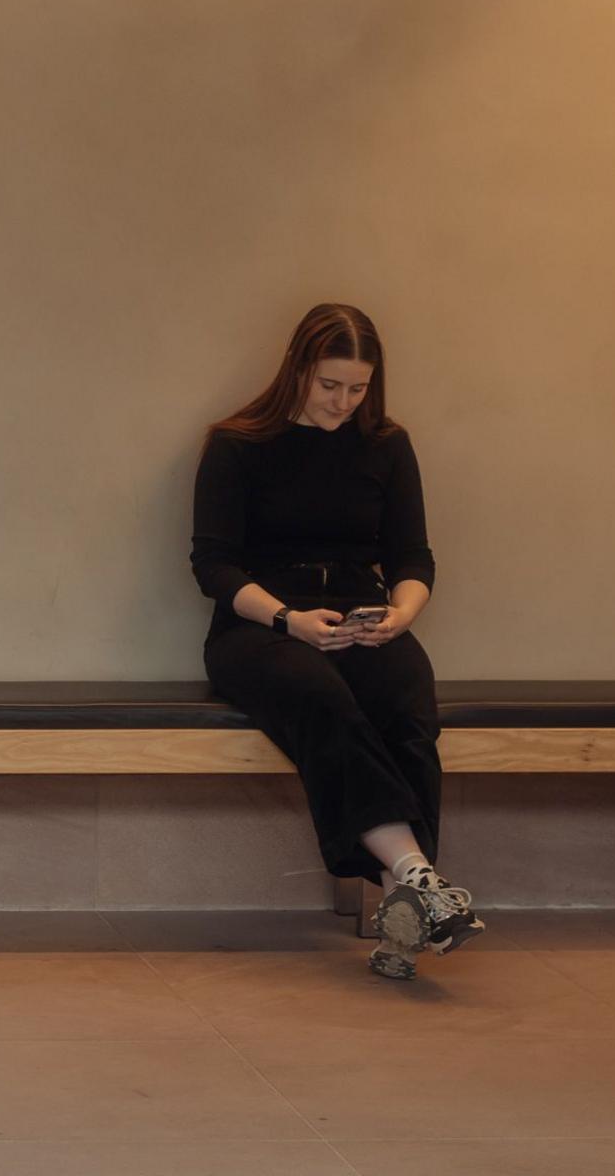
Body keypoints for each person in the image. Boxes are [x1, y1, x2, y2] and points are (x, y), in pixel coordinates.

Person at [191, 301, 484, 981]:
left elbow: (413, 555)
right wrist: (287, 620)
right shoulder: (237, 444)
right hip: (260, 624)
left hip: (364, 613)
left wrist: (401, 613)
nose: (343, 403)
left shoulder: (386, 444)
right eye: (330, 387)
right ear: (297, 370)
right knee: (320, 696)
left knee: (409, 707)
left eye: (357, 389)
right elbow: (214, 566)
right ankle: (415, 874)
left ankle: (407, 921)